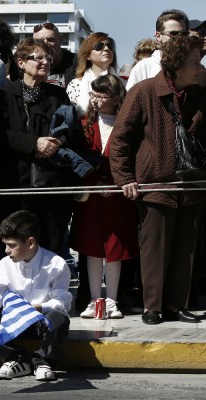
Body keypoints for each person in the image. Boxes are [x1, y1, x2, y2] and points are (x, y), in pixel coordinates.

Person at [109, 35, 206, 325]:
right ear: (176, 66)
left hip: (193, 183)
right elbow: (120, 138)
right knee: (155, 248)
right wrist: (124, 177)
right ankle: (153, 306)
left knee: (186, 249)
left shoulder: (201, 93)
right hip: (155, 182)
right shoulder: (144, 91)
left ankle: (177, 304)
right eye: (195, 63)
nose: (201, 68)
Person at [0, 38, 79, 257]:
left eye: (48, 58)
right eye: (38, 57)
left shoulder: (57, 94)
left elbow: (69, 128)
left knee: (51, 244)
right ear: (21, 62)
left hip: (52, 184)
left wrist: (56, 142)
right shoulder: (4, 95)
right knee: (17, 242)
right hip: (15, 184)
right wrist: (34, 143)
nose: (45, 62)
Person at [69, 74, 139, 319]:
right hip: (91, 193)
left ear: (117, 98)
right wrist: (93, 181)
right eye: (94, 94)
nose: (97, 99)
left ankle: (112, 300)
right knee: (92, 247)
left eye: (103, 95)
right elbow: (76, 156)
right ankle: (93, 300)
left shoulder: (127, 122)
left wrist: (118, 182)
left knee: (115, 249)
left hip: (118, 193)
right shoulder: (84, 122)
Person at [0, 210, 72, 382]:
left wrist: (38, 308)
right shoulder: (5, 263)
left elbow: (63, 302)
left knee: (59, 319)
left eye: (11, 245)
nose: (6, 250)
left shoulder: (57, 264)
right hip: (14, 323)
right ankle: (15, 359)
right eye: (5, 244)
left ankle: (43, 361)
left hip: (41, 322)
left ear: (30, 242)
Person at [126, 9, 189, 90]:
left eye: (184, 34)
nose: (180, 38)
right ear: (158, 36)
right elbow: (131, 100)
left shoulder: (193, 66)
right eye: (173, 34)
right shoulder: (143, 67)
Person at [66, 32, 118, 117]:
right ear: (88, 56)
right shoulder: (75, 85)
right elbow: (72, 118)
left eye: (109, 46)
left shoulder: (124, 83)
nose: (106, 49)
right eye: (99, 46)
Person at [32, 22, 76, 88]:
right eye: (39, 41)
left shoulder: (78, 63)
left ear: (60, 39)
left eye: (50, 39)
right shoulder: (27, 63)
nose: (45, 44)